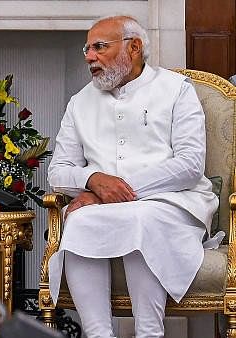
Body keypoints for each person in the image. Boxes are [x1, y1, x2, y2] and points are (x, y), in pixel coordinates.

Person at [47, 15, 218, 338]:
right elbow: (57, 171)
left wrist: (110, 192)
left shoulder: (176, 91)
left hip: (174, 201)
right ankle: (98, 334)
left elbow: (189, 165)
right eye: (87, 49)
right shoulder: (79, 103)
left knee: (141, 217)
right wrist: (93, 180)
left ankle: (149, 333)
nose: (88, 57)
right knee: (79, 220)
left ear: (134, 47)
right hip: (106, 209)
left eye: (99, 47)